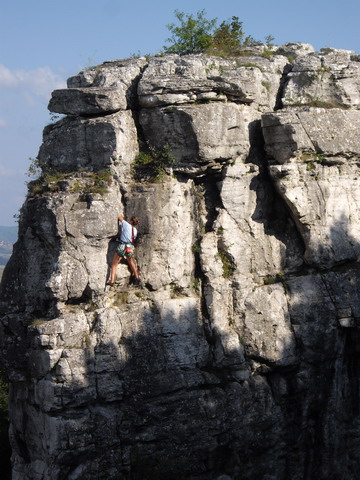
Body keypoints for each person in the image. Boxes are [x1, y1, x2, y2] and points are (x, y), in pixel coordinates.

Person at [107, 214, 141, 286]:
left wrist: (122, 216)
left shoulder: (126, 225)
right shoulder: (135, 230)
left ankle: (112, 281)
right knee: (130, 261)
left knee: (114, 264)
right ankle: (137, 277)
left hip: (122, 246)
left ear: (131, 221)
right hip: (130, 247)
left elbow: (119, 217)